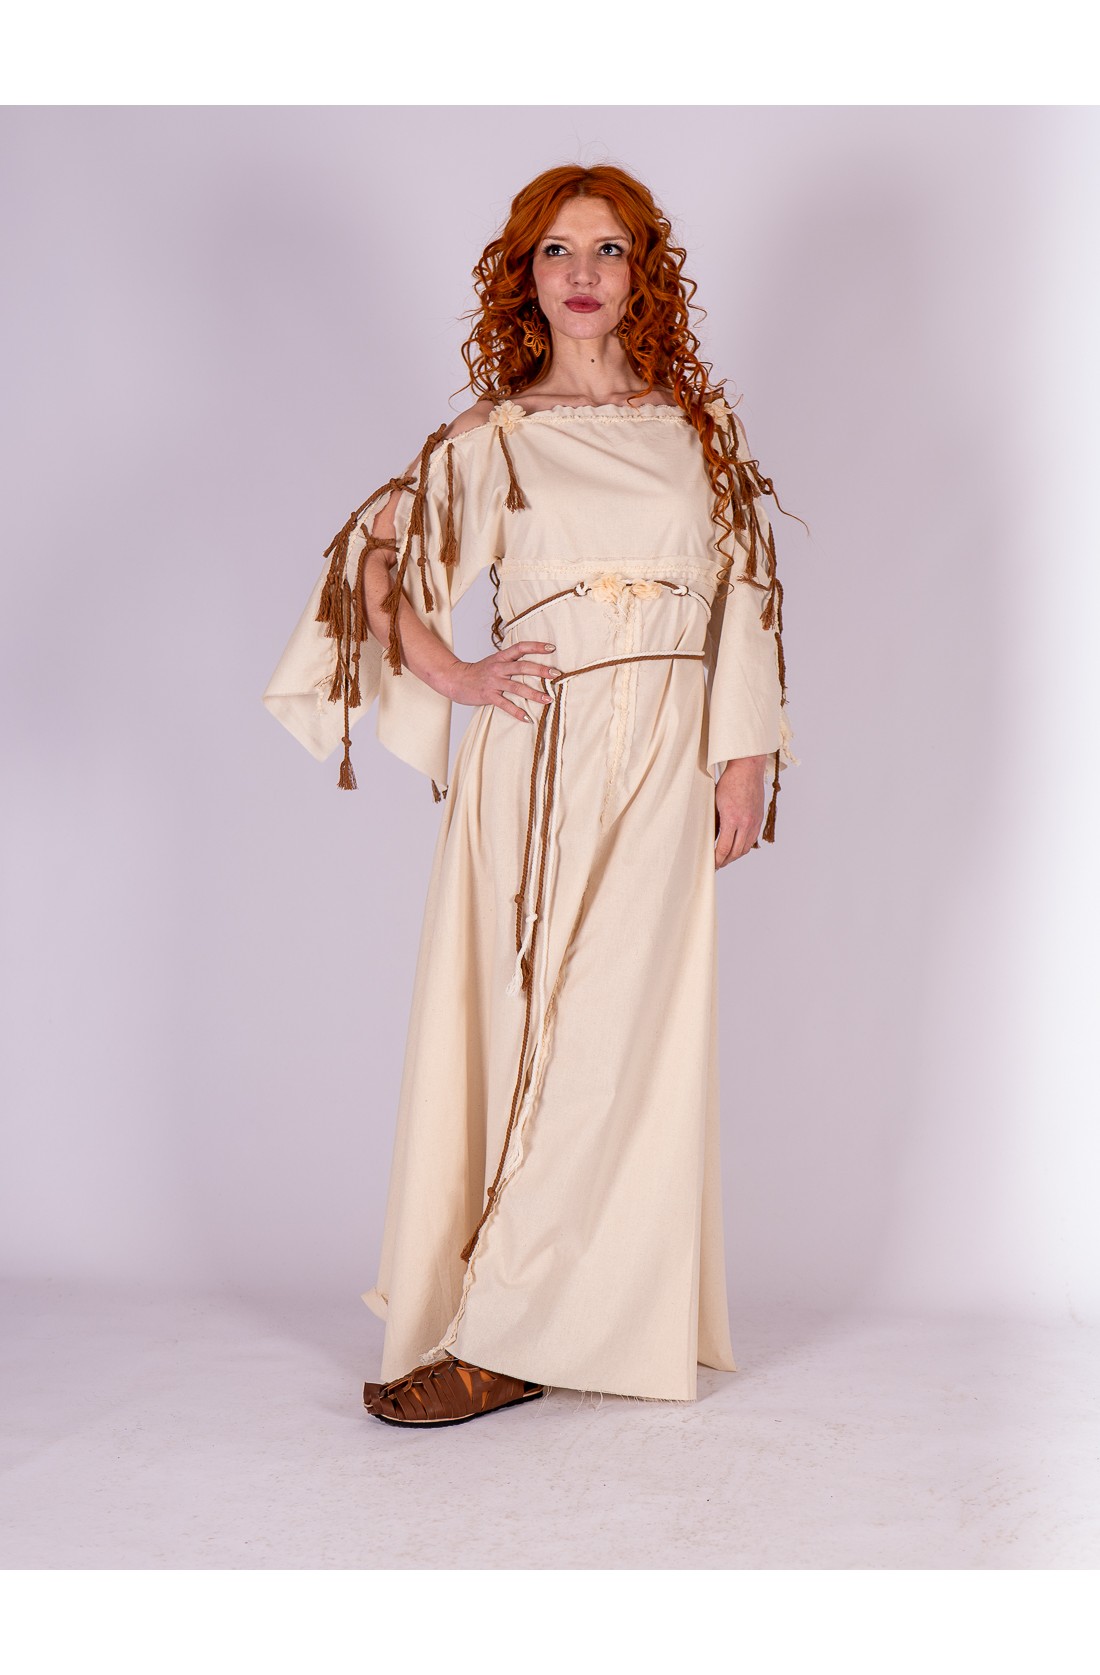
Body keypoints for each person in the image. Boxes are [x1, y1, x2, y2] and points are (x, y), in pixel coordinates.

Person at [262, 163, 802, 1429]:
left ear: (641, 272)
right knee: (536, 1025)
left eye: (606, 249)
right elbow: (373, 559)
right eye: (556, 250)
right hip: (541, 752)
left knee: (620, 1029)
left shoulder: (697, 430)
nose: (580, 272)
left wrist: (743, 758)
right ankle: (502, 1325)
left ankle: (551, 1319)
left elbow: (744, 593)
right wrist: (452, 671)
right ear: (526, 276)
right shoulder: (494, 436)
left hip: (665, 750)